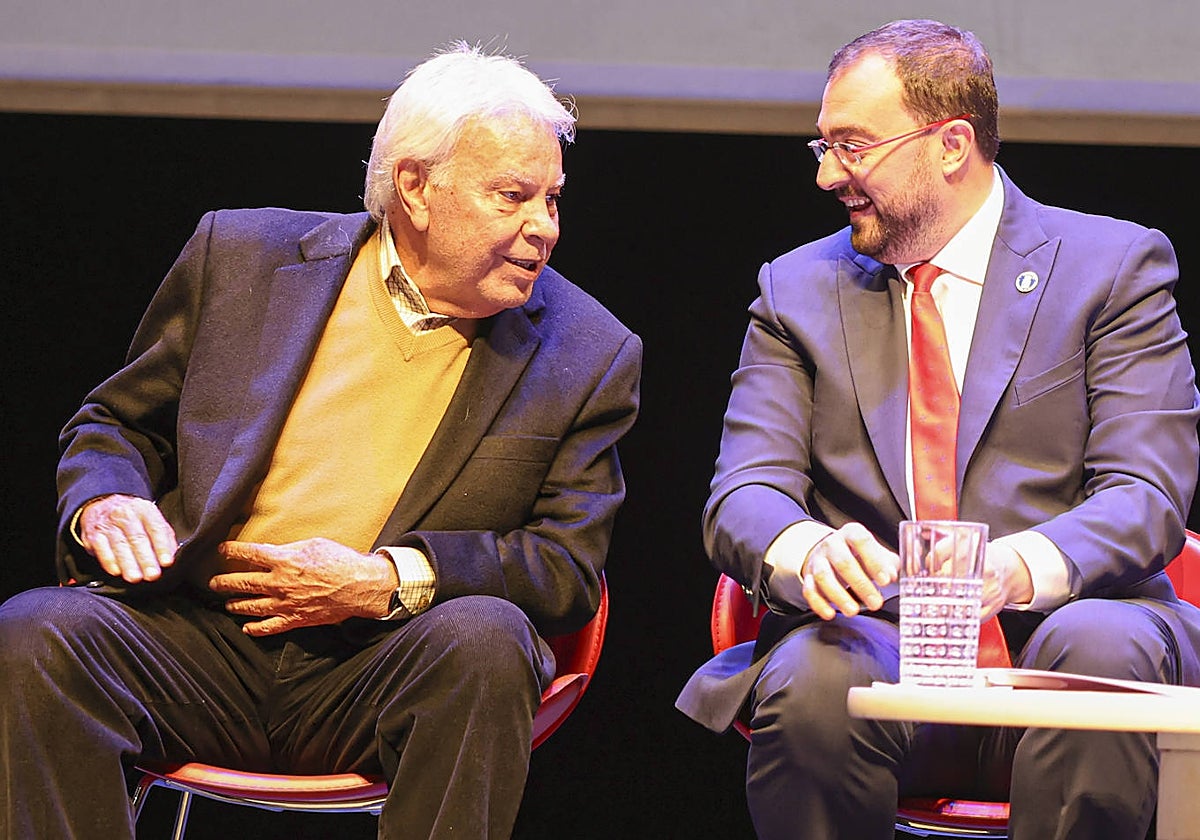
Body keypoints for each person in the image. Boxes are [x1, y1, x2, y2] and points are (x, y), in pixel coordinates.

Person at [0, 42, 641, 839]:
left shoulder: (588, 351)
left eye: (552, 198)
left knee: (487, 641)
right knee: (36, 634)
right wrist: (104, 498)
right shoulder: (241, 259)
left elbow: (564, 566)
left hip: (381, 661)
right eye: (512, 196)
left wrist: (385, 580)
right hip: (199, 640)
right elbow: (118, 424)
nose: (543, 227)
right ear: (415, 187)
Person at [677, 18, 1200, 840]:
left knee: (1100, 645)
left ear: (950, 145)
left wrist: (1009, 572)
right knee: (816, 675)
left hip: (1061, 637)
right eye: (822, 147)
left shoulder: (1114, 269)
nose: (826, 176)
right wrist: (807, 549)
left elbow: (1146, 495)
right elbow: (743, 494)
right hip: (882, 652)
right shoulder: (796, 293)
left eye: (852, 146)